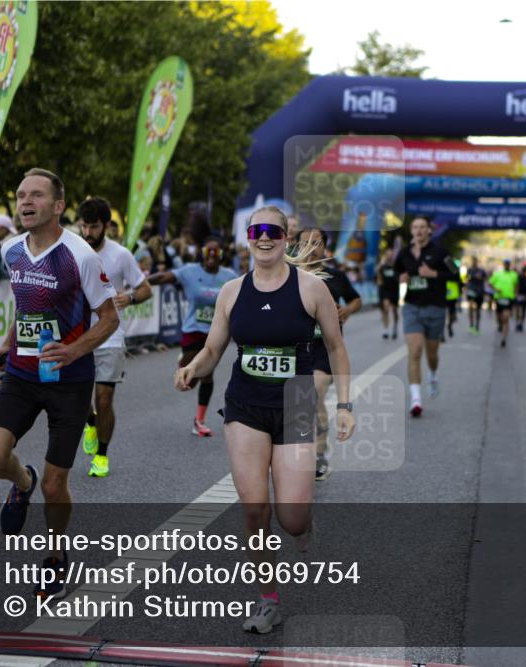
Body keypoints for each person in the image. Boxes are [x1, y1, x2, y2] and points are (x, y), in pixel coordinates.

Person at [174, 206, 354, 634]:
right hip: (245, 405)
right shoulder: (232, 292)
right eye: (257, 230)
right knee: (255, 508)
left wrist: (345, 407)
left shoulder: (311, 289)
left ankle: (304, 523)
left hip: (295, 402)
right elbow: (214, 349)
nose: (265, 237)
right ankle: (267, 599)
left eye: (273, 230)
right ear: (248, 238)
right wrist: (192, 368)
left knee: (291, 519)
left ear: (284, 239)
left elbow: (337, 348)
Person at [0, 168, 118, 600]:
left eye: (36, 195)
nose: (25, 202)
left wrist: (75, 350)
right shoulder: (11, 249)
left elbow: (110, 318)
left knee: (59, 485)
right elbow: (26, 305)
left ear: (57, 206)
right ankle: (23, 483)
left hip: (68, 380)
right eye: (21, 195)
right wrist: (6, 343)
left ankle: (56, 556)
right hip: (22, 372)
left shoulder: (82, 256)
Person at [77, 198, 152, 477]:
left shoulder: (121, 255)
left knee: (105, 397)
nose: (87, 232)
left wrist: (129, 296)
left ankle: (102, 456)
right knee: (80, 397)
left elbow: (146, 289)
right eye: (83, 226)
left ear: (106, 226)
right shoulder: (72, 251)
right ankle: (91, 423)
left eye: (93, 226)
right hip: (79, 336)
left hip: (109, 335)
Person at [149, 235, 237, 436]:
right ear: (202, 254)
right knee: (190, 380)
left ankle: (200, 420)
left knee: (207, 374)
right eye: (208, 252)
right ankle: (184, 362)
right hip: (193, 329)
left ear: (222, 255)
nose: (212, 257)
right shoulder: (189, 271)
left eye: (216, 253)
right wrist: (141, 283)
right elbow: (163, 277)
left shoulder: (230, 275)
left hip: (216, 330)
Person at [296, 226, 361, 481]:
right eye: (305, 243)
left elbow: (356, 300)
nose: (311, 248)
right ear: (296, 246)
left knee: (314, 393)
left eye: (317, 243)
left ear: (325, 247)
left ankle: (319, 453)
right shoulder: (289, 277)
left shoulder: (335, 277)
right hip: (297, 348)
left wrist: (347, 310)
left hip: (325, 348)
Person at [394, 217, 456, 417]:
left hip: (436, 309)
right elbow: (395, 273)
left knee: (432, 354)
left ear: (429, 231)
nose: (419, 230)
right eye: (415, 227)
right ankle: (416, 400)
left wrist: (435, 274)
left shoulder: (440, 252)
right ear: (411, 231)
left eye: (423, 227)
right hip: (412, 308)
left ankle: (433, 374)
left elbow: (455, 274)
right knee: (415, 350)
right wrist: (400, 278)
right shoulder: (404, 253)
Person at [488, 259, 519, 349]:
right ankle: (500, 325)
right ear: (503, 265)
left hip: (509, 299)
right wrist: (496, 289)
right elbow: (490, 283)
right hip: (499, 299)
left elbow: (517, 285)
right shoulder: (498, 274)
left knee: (506, 318)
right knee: (499, 318)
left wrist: (515, 294)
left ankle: (503, 339)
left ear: (510, 265)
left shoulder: (514, 275)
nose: (507, 266)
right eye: (505, 264)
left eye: (508, 264)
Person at [376, 247, 400, 340]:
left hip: (394, 289)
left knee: (394, 310)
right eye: (388, 254)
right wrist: (380, 265)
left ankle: (395, 327)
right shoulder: (382, 266)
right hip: (385, 290)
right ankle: (385, 330)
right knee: (385, 308)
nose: (389, 255)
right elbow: (379, 280)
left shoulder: (396, 265)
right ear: (386, 255)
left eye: (391, 254)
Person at [465, 257, 487, 334]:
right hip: (471, 290)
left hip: (479, 291)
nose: (474, 262)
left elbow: (485, 279)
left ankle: (477, 325)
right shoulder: (469, 270)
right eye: (473, 261)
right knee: (470, 307)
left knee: (478, 309)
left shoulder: (481, 270)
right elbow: (466, 279)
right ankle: (471, 324)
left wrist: (481, 278)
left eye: (475, 261)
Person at [515, 265, 526, 332]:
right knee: (518, 310)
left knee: (522, 311)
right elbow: (515, 285)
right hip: (519, 295)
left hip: (524, 296)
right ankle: (518, 323)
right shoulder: (518, 278)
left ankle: (520, 324)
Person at [445, 267, 461, 339]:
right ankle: (449, 327)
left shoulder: (438, 262)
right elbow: (459, 280)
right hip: (451, 293)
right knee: (450, 312)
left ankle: (448, 327)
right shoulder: (452, 265)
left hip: (447, 293)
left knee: (446, 312)